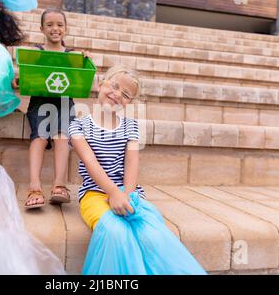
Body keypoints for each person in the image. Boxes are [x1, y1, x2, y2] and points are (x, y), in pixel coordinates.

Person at [69, 65, 207, 275]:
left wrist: (127, 194)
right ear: (99, 83)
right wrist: (113, 193)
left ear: (129, 102)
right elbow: (90, 162)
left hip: (128, 191)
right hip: (94, 193)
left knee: (150, 233)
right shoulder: (78, 126)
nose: (117, 95)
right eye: (113, 86)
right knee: (116, 232)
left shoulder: (131, 126)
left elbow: (131, 163)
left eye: (125, 94)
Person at [23, 8, 82, 209]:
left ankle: (59, 185)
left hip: (65, 103)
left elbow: (81, 80)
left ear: (66, 29)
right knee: (39, 136)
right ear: (41, 28)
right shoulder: (36, 53)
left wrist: (85, 60)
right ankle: (34, 186)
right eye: (49, 24)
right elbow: (26, 77)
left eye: (59, 24)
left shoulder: (73, 56)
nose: (54, 28)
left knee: (61, 136)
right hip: (40, 103)